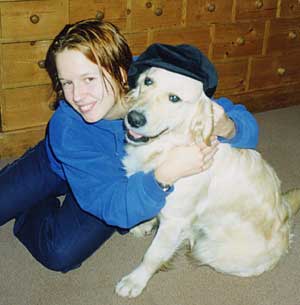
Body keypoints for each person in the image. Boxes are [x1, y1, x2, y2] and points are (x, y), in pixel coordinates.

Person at [0, 19, 258, 273]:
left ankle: (30, 208)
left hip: (113, 183)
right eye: (67, 82)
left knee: (59, 253)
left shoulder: (154, 77)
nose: (77, 96)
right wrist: (167, 173)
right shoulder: (67, 126)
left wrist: (227, 126)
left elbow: (246, 130)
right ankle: (27, 186)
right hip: (58, 162)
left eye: (89, 79)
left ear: (122, 72)